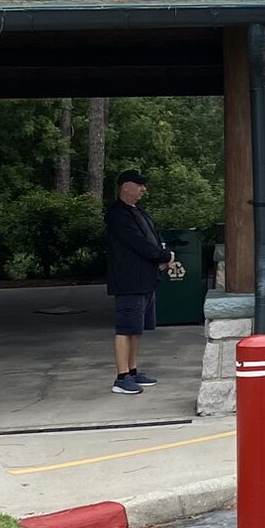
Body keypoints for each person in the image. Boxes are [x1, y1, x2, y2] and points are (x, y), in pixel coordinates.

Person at [105, 168, 175, 395]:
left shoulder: (139, 212)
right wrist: (163, 257)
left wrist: (166, 254)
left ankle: (133, 371)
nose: (143, 189)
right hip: (129, 281)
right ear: (126, 186)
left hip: (146, 279)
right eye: (139, 185)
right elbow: (138, 243)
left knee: (136, 329)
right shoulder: (117, 214)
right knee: (125, 328)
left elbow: (154, 238)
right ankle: (121, 377)